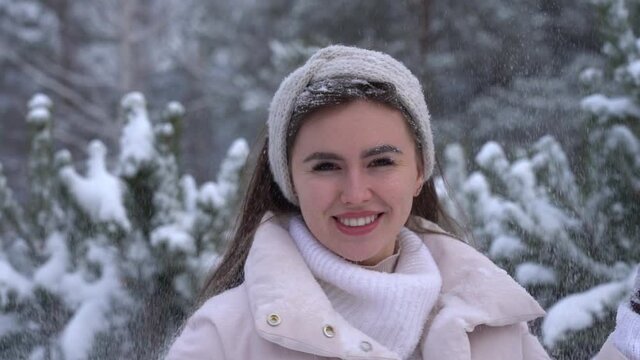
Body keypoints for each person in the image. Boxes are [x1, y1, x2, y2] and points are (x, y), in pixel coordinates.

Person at [165, 45, 639, 360]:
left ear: (419, 172)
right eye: (325, 166)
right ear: (289, 179)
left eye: (381, 162)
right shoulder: (226, 338)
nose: (354, 193)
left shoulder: (487, 322)